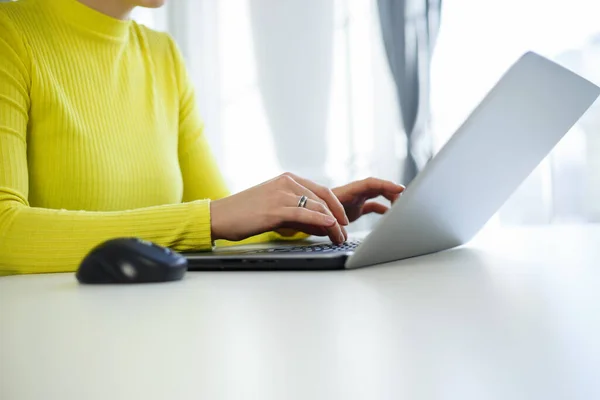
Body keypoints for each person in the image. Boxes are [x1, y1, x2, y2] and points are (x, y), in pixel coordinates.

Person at [0, 0, 404, 275]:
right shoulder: (9, 35)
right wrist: (208, 218)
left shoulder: (163, 56)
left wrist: (303, 217)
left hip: (162, 332)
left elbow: (224, 227)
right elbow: (5, 233)